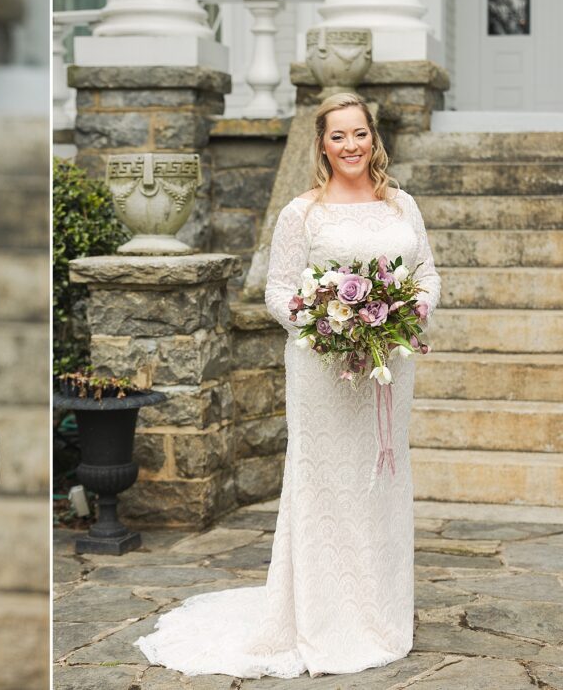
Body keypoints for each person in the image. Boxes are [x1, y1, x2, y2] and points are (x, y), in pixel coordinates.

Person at [136, 92, 441, 678]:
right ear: (321, 144)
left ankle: (380, 612)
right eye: (337, 136)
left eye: (359, 134)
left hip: (388, 368)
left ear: (373, 138)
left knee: (381, 478)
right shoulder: (302, 213)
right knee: (327, 485)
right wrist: (330, 325)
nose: (350, 146)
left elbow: (426, 272)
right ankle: (325, 618)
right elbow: (277, 292)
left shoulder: (402, 205)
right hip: (323, 371)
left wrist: (413, 307)